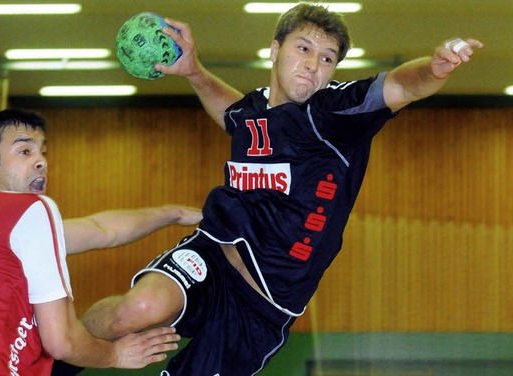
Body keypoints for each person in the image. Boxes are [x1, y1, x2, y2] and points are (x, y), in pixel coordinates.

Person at [79, 4, 484, 376]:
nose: (312, 65)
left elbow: (399, 86)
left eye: (327, 58)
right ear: (274, 50)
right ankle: (53, 357)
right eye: (303, 48)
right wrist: (195, 72)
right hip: (213, 256)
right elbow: (232, 114)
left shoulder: (332, 115)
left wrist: (433, 70)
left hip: (261, 307)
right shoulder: (254, 110)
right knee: (135, 310)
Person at [0, 109, 203, 375]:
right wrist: (116, 354)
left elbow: (100, 229)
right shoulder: (32, 209)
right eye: (24, 152)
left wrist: (171, 213)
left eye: (43, 153)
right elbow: (61, 341)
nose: (40, 162)